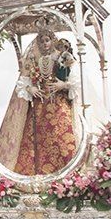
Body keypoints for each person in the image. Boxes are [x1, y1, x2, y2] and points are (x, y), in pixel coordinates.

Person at [8, 30, 78, 175]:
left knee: (61, 138)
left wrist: (63, 85)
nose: (44, 44)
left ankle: (68, 175)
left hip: (59, 103)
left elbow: (77, 78)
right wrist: (30, 88)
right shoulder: (35, 60)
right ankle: (39, 176)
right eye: (41, 41)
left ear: (53, 41)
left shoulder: (63, 56)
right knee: (37, 142)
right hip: (39, 106)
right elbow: (22, 82)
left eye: (47, 40)